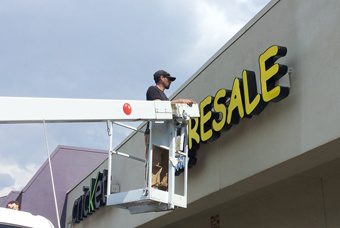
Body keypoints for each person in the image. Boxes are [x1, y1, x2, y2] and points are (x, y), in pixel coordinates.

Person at [145, 70, 194, 190]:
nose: (170, 82)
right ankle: (152, 187)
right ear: (161, 78)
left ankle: (163, 188)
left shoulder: (164, 96)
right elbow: (159, 105)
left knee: (165, 163)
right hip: (155, 132)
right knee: (155, 161)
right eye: (168, 79)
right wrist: (180, 101)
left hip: (165, 133)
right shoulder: (153, 90)